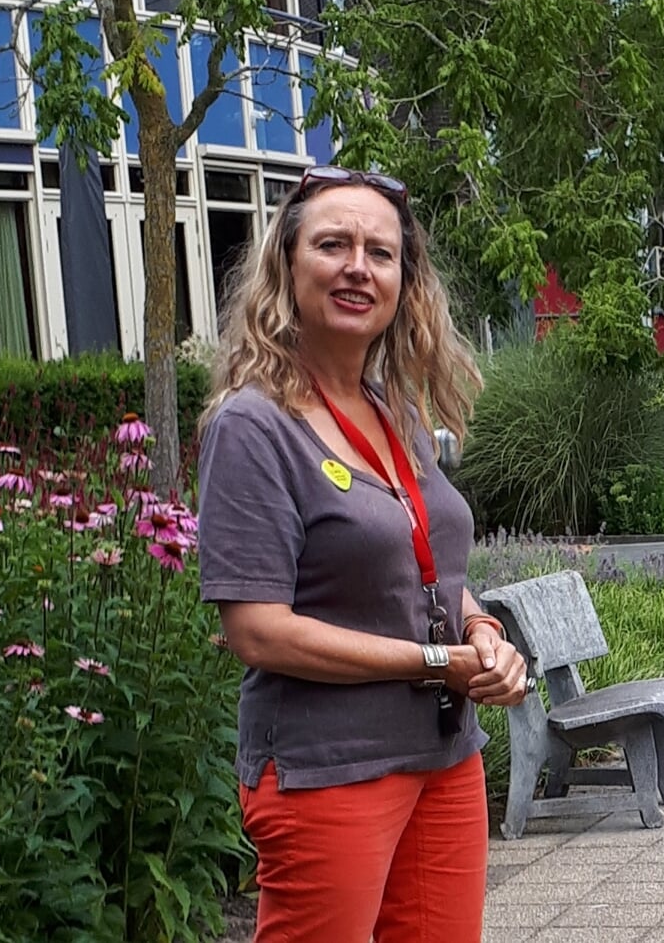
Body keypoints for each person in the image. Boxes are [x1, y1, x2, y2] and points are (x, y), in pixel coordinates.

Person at [195, 165, 531, 943]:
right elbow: (258, 630)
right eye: (332, 244)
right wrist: (435, 662)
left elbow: (432, 572)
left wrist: (480, 632)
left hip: (443, 757)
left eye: (380, 253)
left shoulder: (395, 414)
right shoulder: (256, 426)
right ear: (286, 266)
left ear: (403, 283)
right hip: (329, 768)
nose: (357, 266)